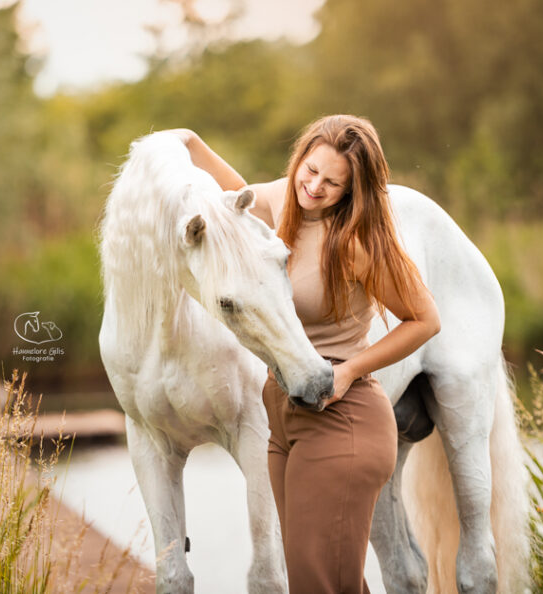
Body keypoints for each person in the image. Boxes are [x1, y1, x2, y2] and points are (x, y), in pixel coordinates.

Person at [172, 115, 441, 593]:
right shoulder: (282, 200)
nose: (314, 188)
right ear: (300, 160)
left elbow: (425, 319)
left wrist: (350, 371)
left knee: (317, 584)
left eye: (332, 183)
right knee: (323, 581)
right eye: (311, 170)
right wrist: (189, 142)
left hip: (341, 417)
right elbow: (234, 192)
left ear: (352, 190)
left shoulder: (355, 242)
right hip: (283, 419)